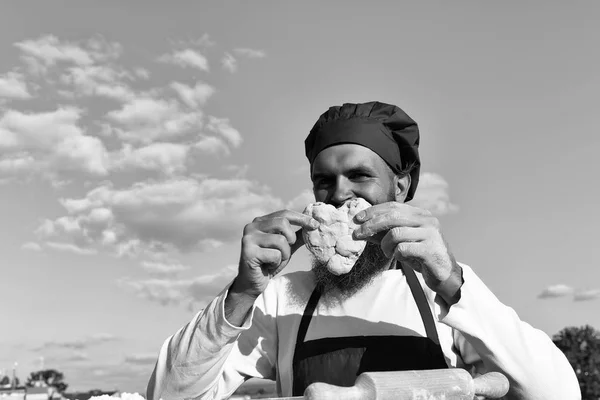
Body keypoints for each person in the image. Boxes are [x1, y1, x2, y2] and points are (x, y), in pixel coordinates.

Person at [147, 101, 580, 400]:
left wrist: (452, 280)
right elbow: (168, 394)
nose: (338, 196)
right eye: (324, 181)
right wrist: (243, 290)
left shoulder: (446, 294)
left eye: (359, 176)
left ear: (403, 186)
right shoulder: (281, 299)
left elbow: (558, 392)